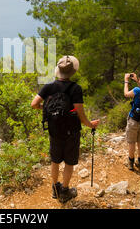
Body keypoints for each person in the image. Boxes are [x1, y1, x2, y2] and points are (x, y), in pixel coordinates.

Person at [31, 55, 99, 203]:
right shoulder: (76, 88)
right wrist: (90, 124)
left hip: (54, 130)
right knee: (69, 162)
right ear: (72, 72)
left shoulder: (48, 87)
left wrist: (47, 108)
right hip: (72, 131)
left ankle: (55, 189)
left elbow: (34, 104)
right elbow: (80, 114)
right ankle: (65, 191)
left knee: (55, 161)